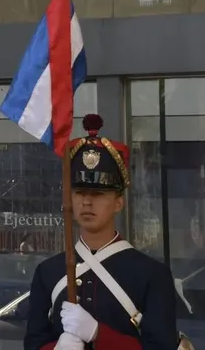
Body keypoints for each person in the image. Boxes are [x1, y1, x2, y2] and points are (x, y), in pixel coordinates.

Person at [24, 114, 180, 350]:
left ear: (118, 203)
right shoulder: (48, 273)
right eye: (79, 193)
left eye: (98, 194)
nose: (87, 202)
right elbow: (33, 343)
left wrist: (100, 335)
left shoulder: (151, 275)